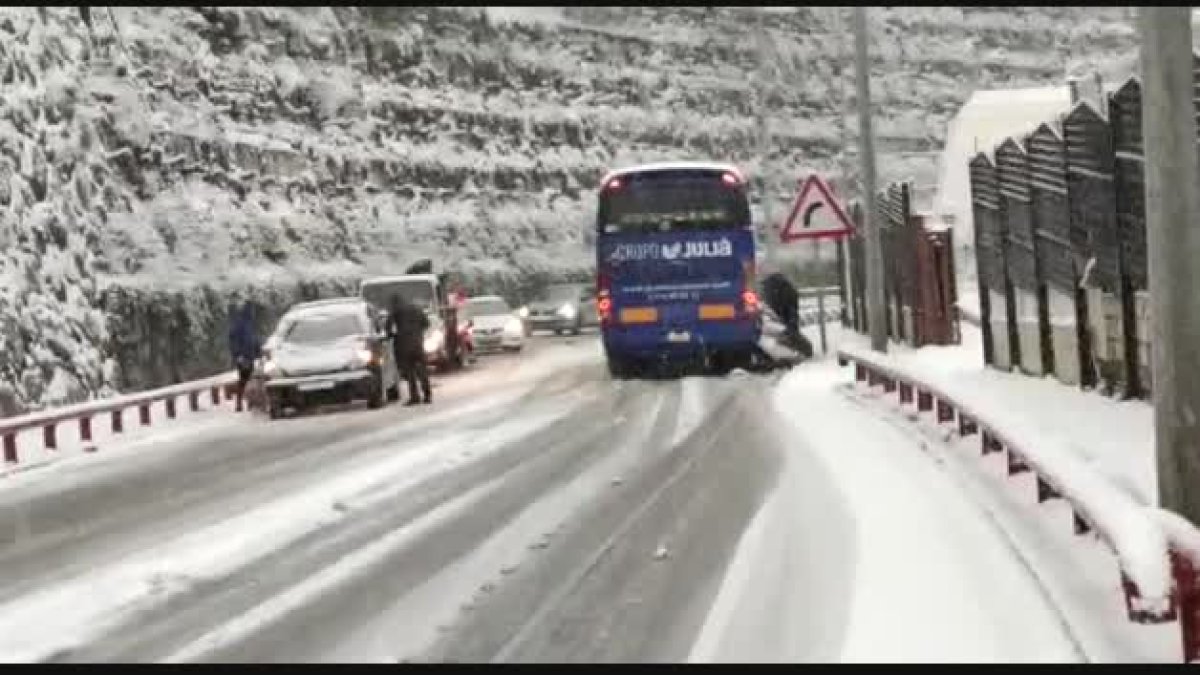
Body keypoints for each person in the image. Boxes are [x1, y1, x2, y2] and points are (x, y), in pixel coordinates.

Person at [388, 294, 433, 405]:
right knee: (422, 370)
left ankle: (415, 397)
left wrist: (392, 335)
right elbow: (427, 324)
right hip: (418, 344)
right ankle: (427, 395)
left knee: (410, 373)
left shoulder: (396, 311)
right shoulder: (417, 309)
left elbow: (388, 326)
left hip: (404, 346)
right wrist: (418, 332)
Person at [761, 271, 814, 360]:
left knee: (788, 331)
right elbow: (792, 303)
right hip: (786, 313)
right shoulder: (784, 287)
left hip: (784, 313)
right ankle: (800, 350)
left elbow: (783, 304)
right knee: (790, 331)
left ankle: (797, 351)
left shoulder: (774, 288)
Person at [228, 300, 261, 412]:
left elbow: (253, 339)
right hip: (244, 357)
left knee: (249, 378)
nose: (253, 312)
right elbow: (234, 341)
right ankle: (240, 403)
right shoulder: (240, 323)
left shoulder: (249, 323)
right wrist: (239, 355)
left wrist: (258, 351)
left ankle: (249, 402)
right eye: (252, 309)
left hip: (249, 356)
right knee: (244, 379)